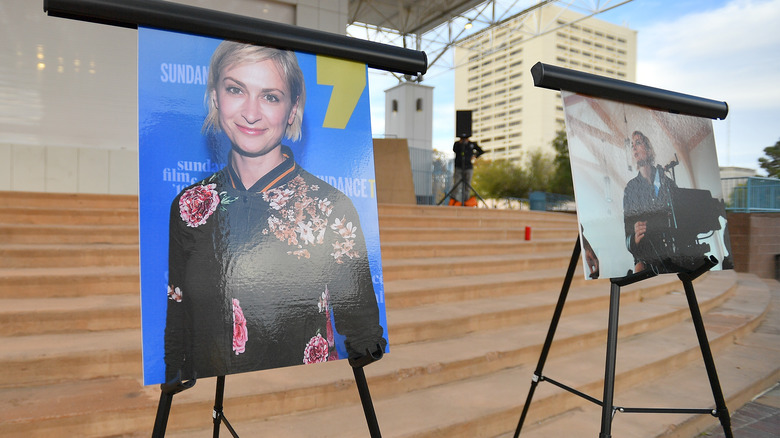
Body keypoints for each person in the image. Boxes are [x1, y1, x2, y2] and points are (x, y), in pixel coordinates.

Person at [164, 41, 386, 383]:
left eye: (270, 96)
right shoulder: (190, 207)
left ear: (292, 109)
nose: (251, 113)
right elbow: (178, 323)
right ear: (214, 97)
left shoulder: (330, 209)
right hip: (207, 400)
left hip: (302, 407)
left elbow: (363, 334)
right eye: (236, 89)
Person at [622, 130, 678, 274]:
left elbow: (681, 214)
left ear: (649, 149)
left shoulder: (668, 183)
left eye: (638, 143)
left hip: (673, 254)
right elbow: (627, 235)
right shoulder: (630, 189)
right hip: (646, 259)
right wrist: (634, 237)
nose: (634, 147)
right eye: (632, 145)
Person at [451, 136, 484, 204]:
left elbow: (481, 151)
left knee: (467, 186)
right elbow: (454, 150)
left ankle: (466, 201)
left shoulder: (472, 144)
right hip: (459, 167)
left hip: (468, 167)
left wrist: (475, 155)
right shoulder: (457, 144)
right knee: (457, 185)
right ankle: (454, 201)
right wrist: (461, 144)